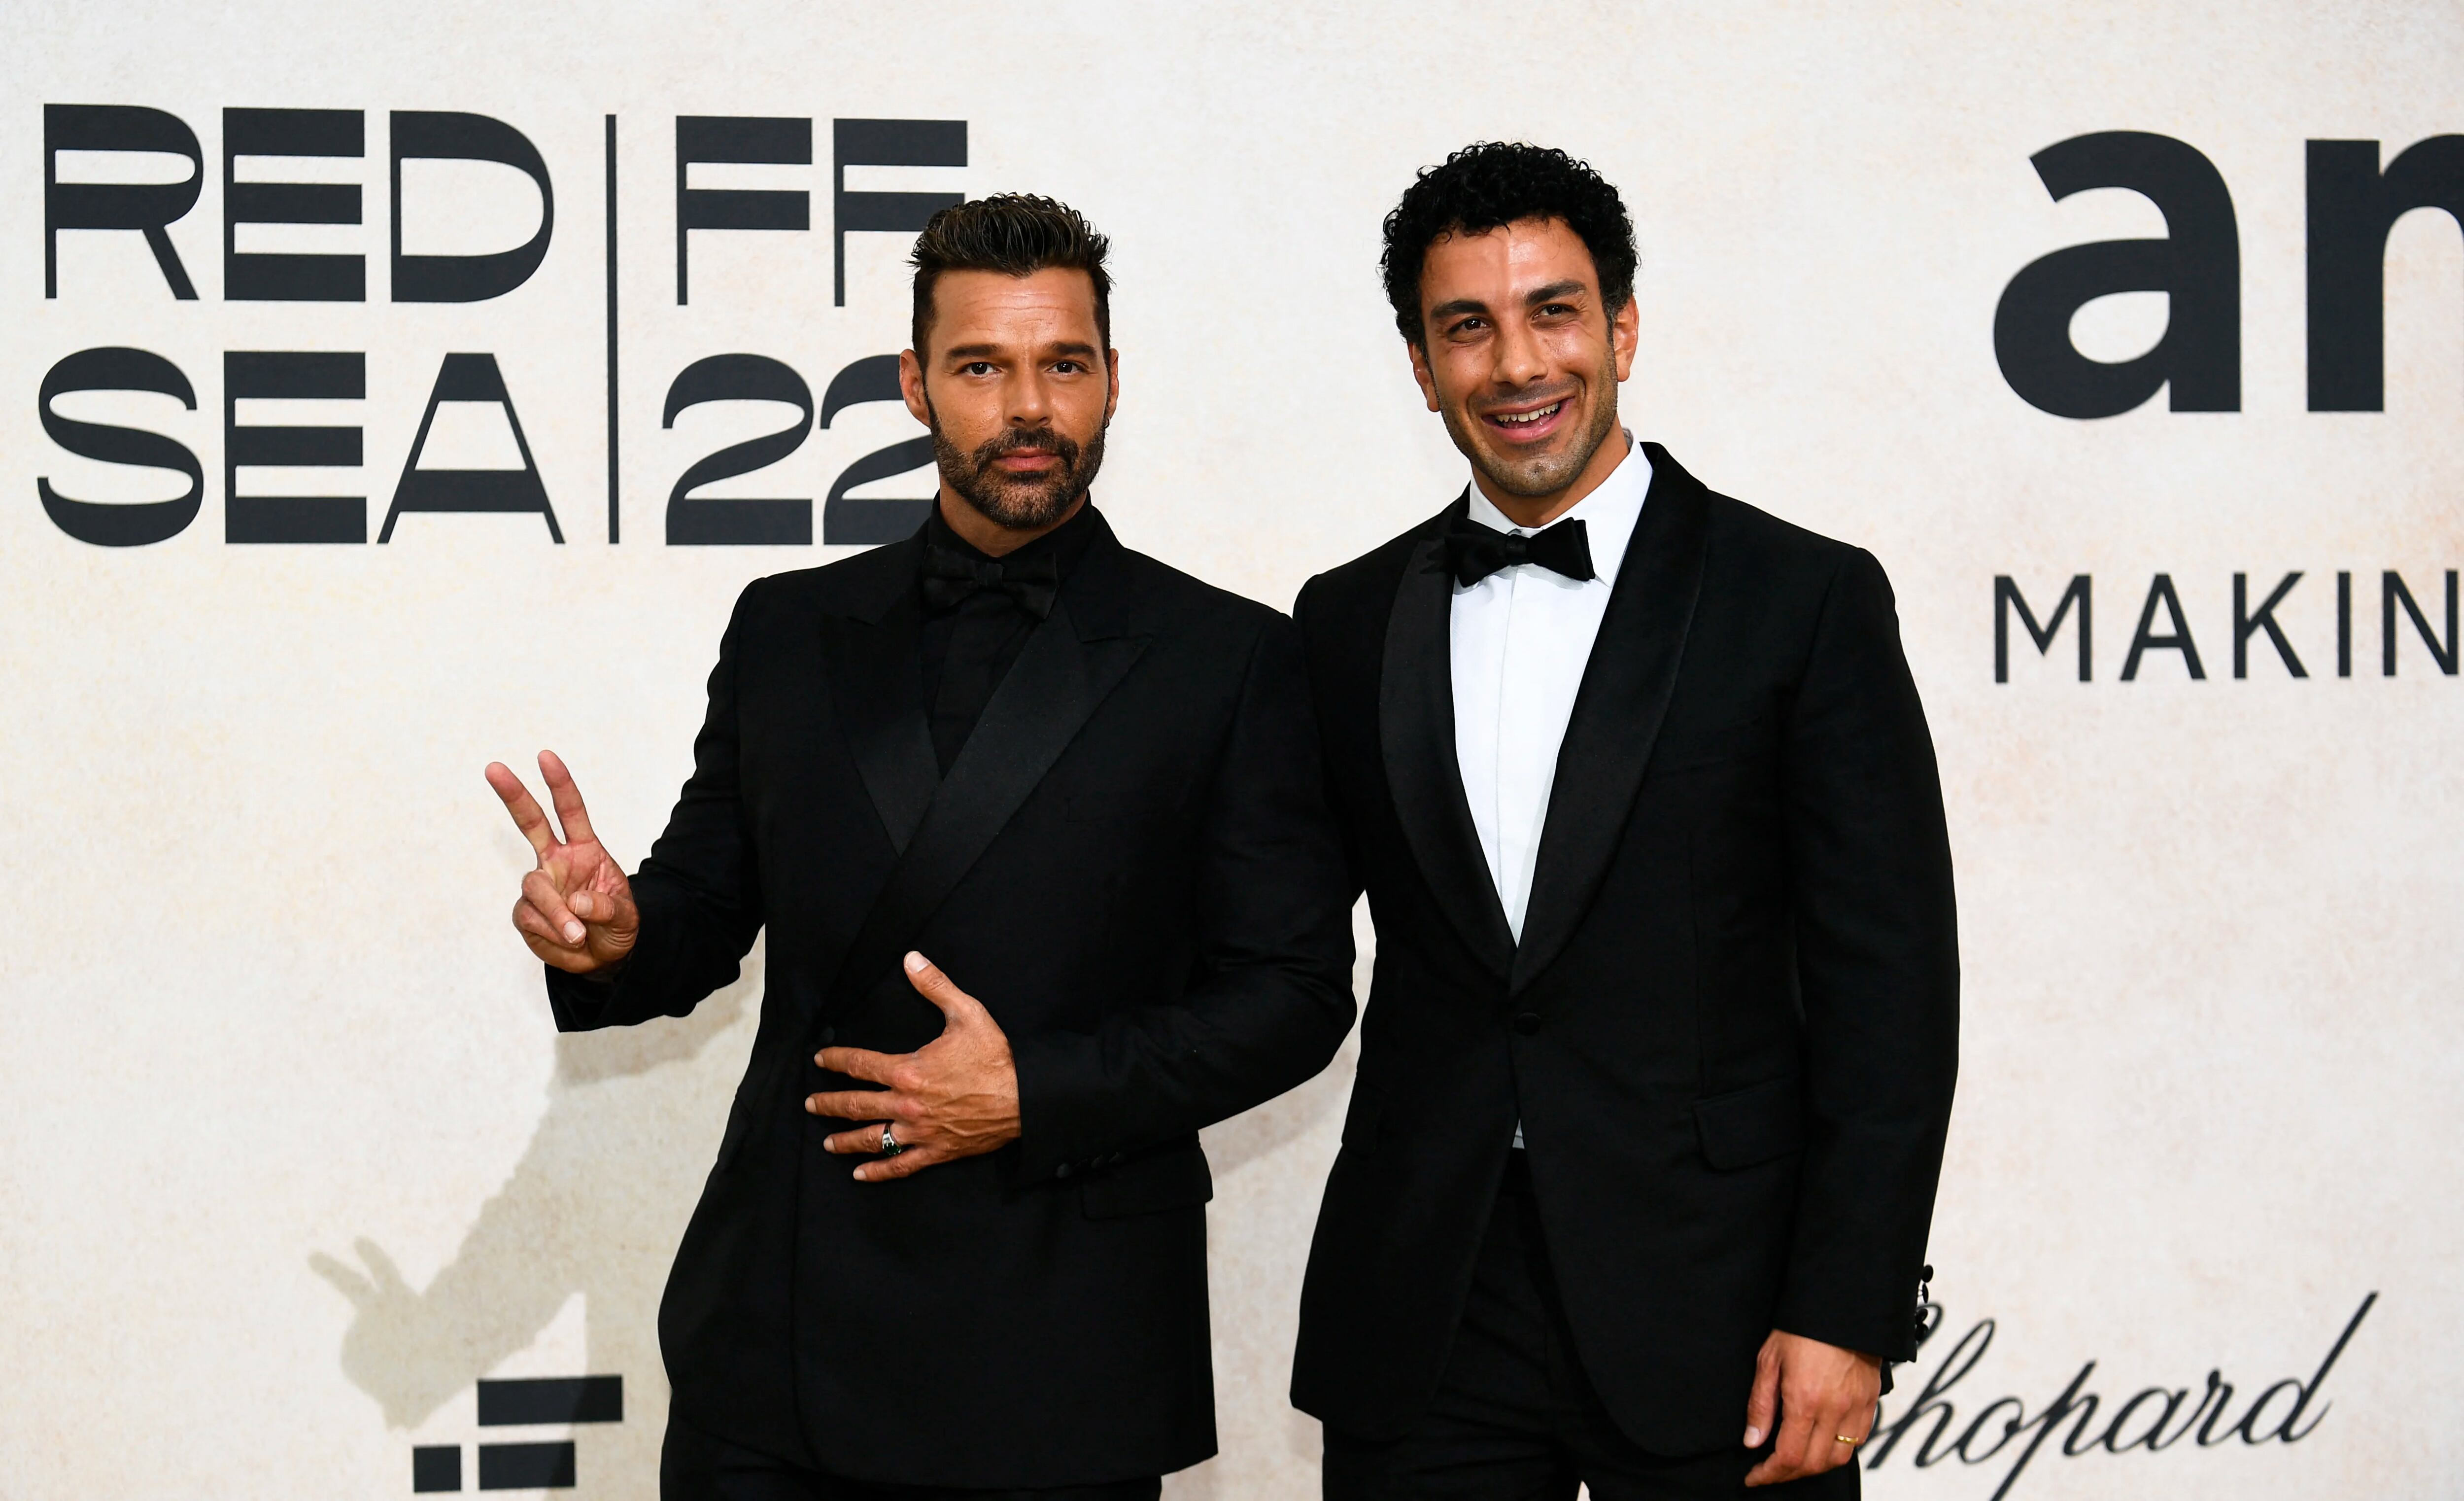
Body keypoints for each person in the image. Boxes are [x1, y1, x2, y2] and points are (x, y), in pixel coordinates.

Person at [484, 194, 1356, 1500]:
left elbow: (1293, 996)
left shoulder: (1228, 660)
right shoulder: (789, 629)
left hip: (1062, 1346)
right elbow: (705, 903)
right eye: (981, 365)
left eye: (1062, 364)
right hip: (779, 1344)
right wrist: (620, 936)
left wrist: (1035, 1093)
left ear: (1111, 382)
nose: (1027, 405)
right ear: (913, 385)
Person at [1289, 143, 1960, 1498]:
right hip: (1431, 1310)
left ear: (1624, 329)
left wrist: (1848, 1309)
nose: (1518, 365)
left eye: (1554, 311)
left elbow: (1891, 994)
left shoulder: (1802, 599)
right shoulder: (1344, 620)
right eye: (1466, 327)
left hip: (1727, 1309)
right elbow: (1278, 955)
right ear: (1421, 366)